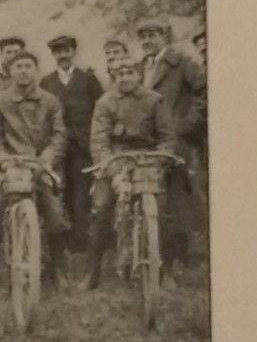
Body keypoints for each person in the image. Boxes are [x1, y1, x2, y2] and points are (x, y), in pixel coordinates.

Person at [0, 50, 69, 291]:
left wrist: (46, 160)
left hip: (41, 165)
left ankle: (59, 270)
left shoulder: (50, 101)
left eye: (29, 66)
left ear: (36, 71)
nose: (24, 71)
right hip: (8, 166)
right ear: (10, 71)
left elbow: (59, 135)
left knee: (56, 214)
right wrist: (4, 161)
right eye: (19, 66)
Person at [81, 58, 176, 290]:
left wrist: (159, 162)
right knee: (100, 208)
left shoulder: (154, 100)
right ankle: (92, 272)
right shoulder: (105, 102)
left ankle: (163, 270)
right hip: (116, 159)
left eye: (130, 72)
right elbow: (99, 142)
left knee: (162, 209)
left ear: (139, 75)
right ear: (114, 77)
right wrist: (111, 171)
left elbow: (167, 138)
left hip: (148, 160)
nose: (125, 77)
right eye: (120, 73)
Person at [136, 15, 207, 267]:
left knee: (178, 198)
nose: (146, 41)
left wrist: (186, 125)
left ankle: (181, 257)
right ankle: (157, 256)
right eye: (142, 37)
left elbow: (204, 91)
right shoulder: (140, 68)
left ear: (163, 37)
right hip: (150, 143)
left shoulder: (181, 62)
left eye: (151, 35)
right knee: (153, 197)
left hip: (177, 141)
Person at [41, 34, 102, 250]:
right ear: (53, 55)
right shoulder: (46, 82)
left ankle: (80, 241)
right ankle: (61, 240)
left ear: (73, 52)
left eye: (66, 51)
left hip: (82, 146)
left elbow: (100, 109)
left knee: (81, 192)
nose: (62, 55)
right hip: (58, 146)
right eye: (57, 52)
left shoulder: (87, 79)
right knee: (59, 189)